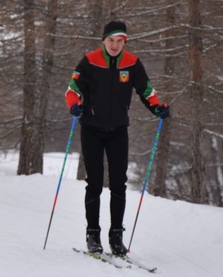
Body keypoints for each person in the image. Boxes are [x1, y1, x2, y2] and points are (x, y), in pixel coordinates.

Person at [64, 20, 169, 256]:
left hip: (118, 130)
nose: (114, 45)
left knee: (119, 184)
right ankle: (93, 235)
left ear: (125, 42)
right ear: (103, 40)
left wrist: (157, 108)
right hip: (91, 128)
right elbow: (72, 89)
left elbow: (146, 91)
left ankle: (116, 237)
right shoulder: (90, 60)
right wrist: (74, 106)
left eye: (119, 41)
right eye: (111, 40)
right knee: (94, 182)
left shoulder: (132, 63)